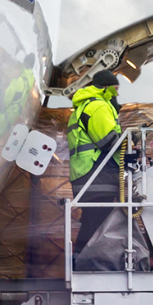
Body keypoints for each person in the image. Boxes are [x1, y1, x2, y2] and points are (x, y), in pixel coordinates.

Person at [66, 70, 125, 257]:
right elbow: (108, 142)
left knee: (93, 223)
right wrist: (132, 142)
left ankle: (80, 262)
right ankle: (85, 265)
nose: (117, 95)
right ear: (105, 87)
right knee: (98, 226)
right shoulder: (98, 107)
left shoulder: (85, 106)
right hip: (96, 175)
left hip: (87, 175)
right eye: (115, 89)